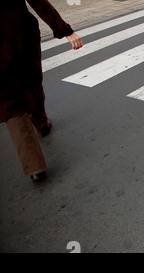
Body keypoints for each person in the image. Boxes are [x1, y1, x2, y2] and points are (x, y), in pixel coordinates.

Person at [0, 0, 83, 182]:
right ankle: (41, 123)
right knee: (32, 81)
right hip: (20, 33)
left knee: (10, 105)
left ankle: (35, 167)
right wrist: (65, 30)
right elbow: (38, 1)